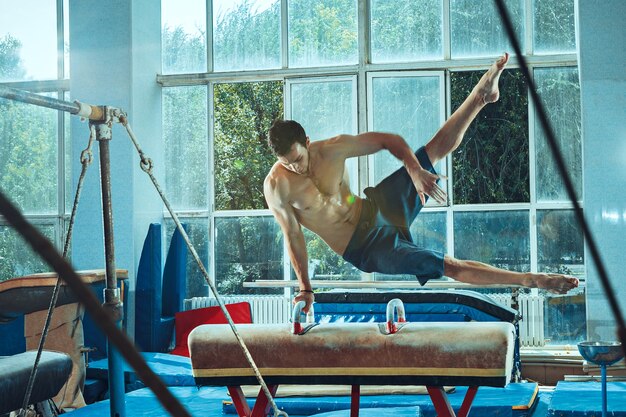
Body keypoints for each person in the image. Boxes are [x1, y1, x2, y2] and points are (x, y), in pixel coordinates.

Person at [263, 53, 578, 312]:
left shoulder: (333, 148)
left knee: (430, 152)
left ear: (307, 141)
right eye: (287, 163)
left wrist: (414, 171)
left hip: (375, 210)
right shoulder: (278, 186)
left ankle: (482, 96)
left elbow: (390, 140)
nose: (296, 167)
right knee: (447, 265)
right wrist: (306, 287)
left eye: (299, 159)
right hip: (367, 248)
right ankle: (529, 279)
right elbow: (293, 236)